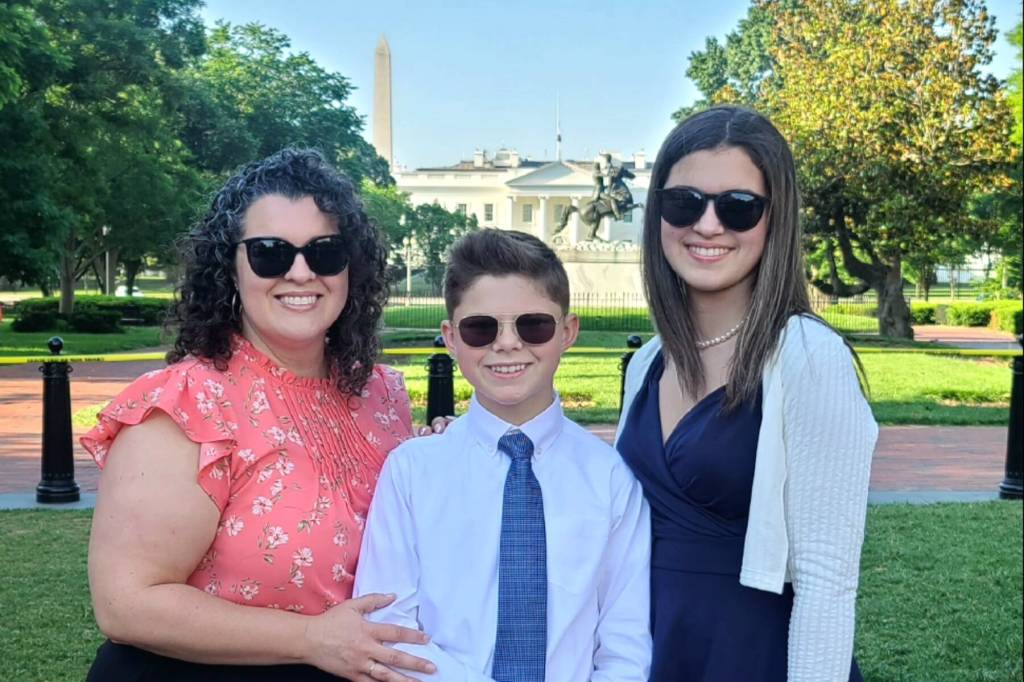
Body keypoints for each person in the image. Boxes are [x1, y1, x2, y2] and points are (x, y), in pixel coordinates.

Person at [81, 148, 438, 681]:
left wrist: (448, 457)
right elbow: (126, 603)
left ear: (351, 267)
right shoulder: (187, 404)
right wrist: (311, 639)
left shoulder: (381, 395)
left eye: (325, 252)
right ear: (231, 266)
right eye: (271, 252)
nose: (300, 273)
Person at [615, 105, 878, 681]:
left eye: (738, 208)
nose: (707, 226)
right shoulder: (646, 365)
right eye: (684, 202)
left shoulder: (808, 356)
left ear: (774, 220)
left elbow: (828, 578)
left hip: (754, 656)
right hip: (649, 651)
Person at [353, 229, 652, 681]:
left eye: (533, 325)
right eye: (481, 328)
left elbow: (624, 644)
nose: (507, 343)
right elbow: (389, 628)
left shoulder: (609, 479)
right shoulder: (412, 472)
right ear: (451, 338)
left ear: (568, 331)